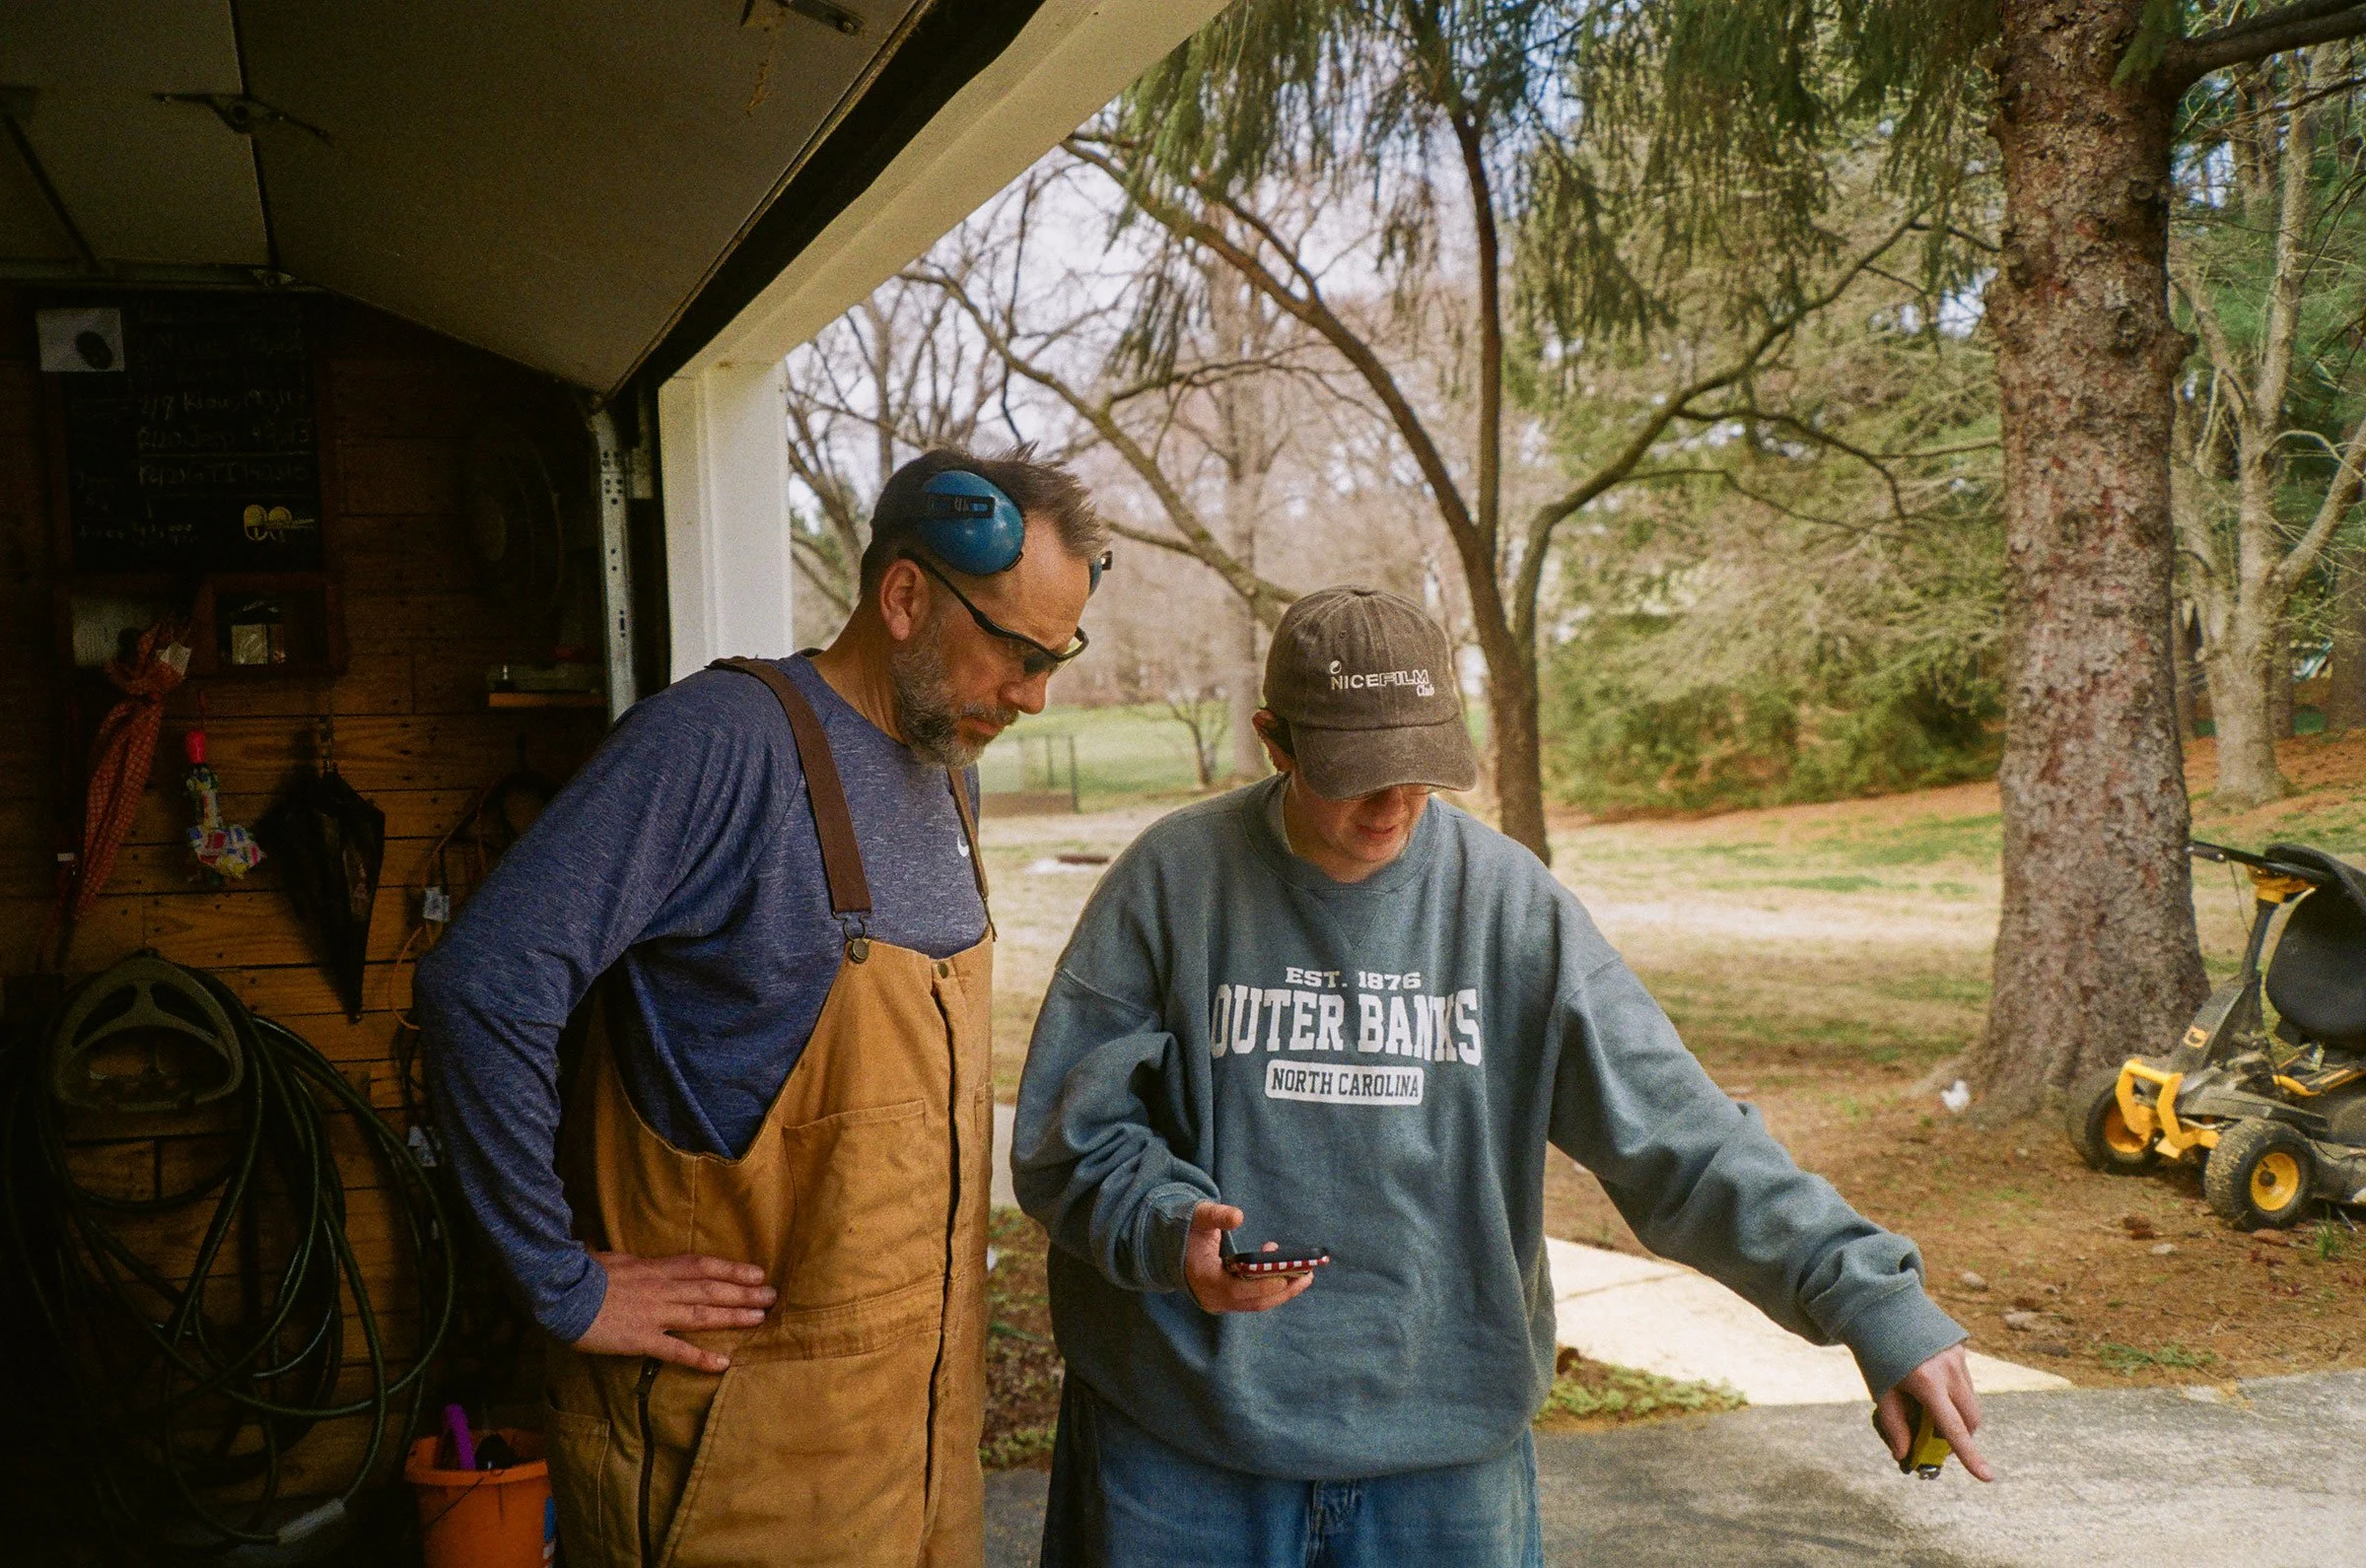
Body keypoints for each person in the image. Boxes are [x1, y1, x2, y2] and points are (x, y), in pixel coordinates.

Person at [1013, 586, 1989, 1568]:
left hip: (1446, 1464)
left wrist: (1867, 1295)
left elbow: (1680, 1137)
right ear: (1277, 739)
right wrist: (1166, 1226)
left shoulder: (1512, 908)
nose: (1394, 802)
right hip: (1184, 1455)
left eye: (1422, 768)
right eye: (1358, 770)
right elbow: (1072, 1131)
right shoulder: (1172, 882)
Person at [418, 447, 1109, 1568]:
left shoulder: (949, 771)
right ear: (902, 597)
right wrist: (564, 1281)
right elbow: (482, 986)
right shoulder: (719, 744)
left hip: (912, 1454)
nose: (1034, 695)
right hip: (732, 1469)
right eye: (1019, 653)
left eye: (1057, 657)